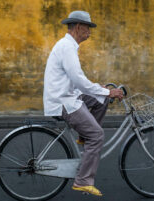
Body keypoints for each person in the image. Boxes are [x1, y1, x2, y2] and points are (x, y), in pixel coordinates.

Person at [43, 10, 123, 196]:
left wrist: (102, 91)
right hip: (63, 102)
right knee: (97, 135)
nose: (90, 32)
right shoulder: (67, 47)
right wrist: (107, 91)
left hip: (66, 96)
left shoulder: (67, 46)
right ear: (79, 27)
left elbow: (74, 82)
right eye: (88, 28)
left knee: (100, 99)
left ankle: (83, 137)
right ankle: (83, 180)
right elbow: (78, 79)